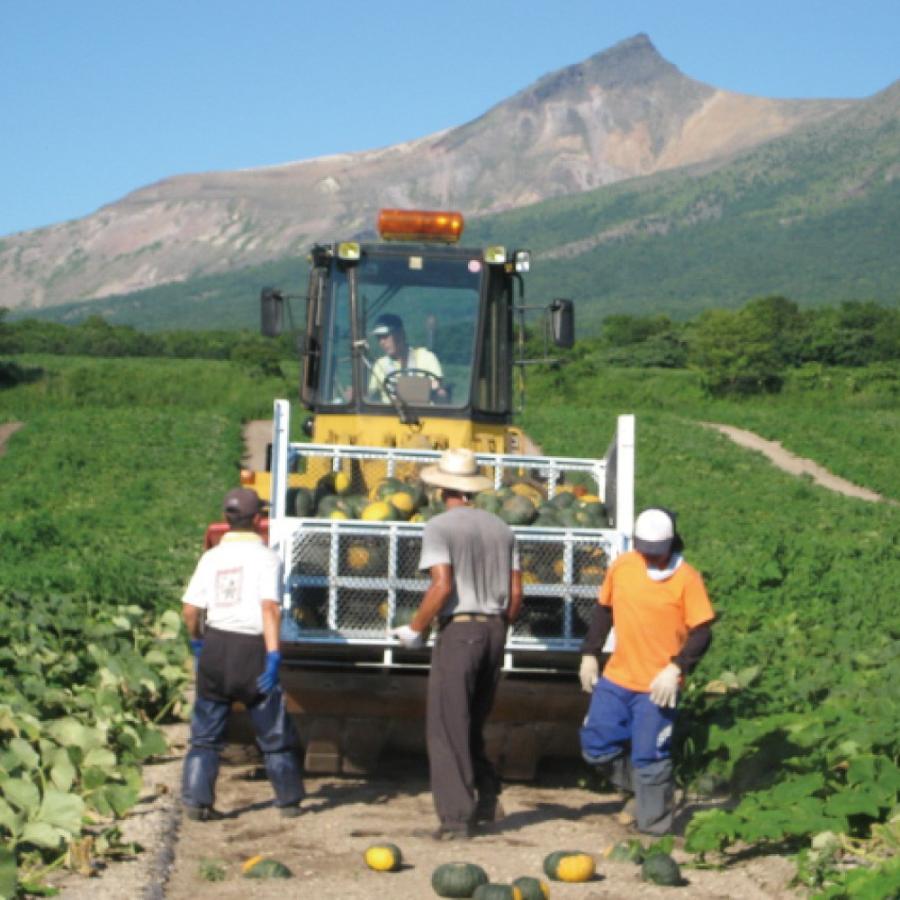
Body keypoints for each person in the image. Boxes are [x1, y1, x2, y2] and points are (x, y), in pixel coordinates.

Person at [391, 449, 522, 840]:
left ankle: (455, 819)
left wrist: (415, 628)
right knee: (473, 720)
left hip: (460, 631)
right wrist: (499, 625)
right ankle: (487, 796)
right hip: (495, 630)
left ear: (441, 489)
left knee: (447, 727)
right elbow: (517, 593)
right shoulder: (502, 528)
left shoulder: (439, 527)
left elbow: (442, 584)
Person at [578, 507, 715, 835]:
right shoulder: (623, 566)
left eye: (657, 552)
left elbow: (702, 632)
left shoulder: (687, 579)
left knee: (651, 758)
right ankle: (645, 790)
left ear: (671, 544)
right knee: (596, 745)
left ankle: (654, 829)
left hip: (657, 686)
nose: (651, 557)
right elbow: (604, 610)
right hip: (618, 677)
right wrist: (590, 654)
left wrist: (676, 667)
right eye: (645, 551)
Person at [181, 487, 303, 820]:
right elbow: (269, 609)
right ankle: (288, 801)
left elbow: (190, 609)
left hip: (216, 646)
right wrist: (273, 655)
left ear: (226, 518)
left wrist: (197, 642)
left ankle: (196, 802)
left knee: (205, 735)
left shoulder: (211, 558)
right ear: (259, 519)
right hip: (252, 650)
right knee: (273, 732)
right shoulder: (267, 558)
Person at [367, 313, 447, 402]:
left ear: (400, 334)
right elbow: (372, 398)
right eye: (379, 338)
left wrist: (436, 391)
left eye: (385, 336)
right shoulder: (379, 365)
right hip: (389, 410)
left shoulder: (426, 357)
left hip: (423, 410)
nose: (382, 342)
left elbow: (441, 394)